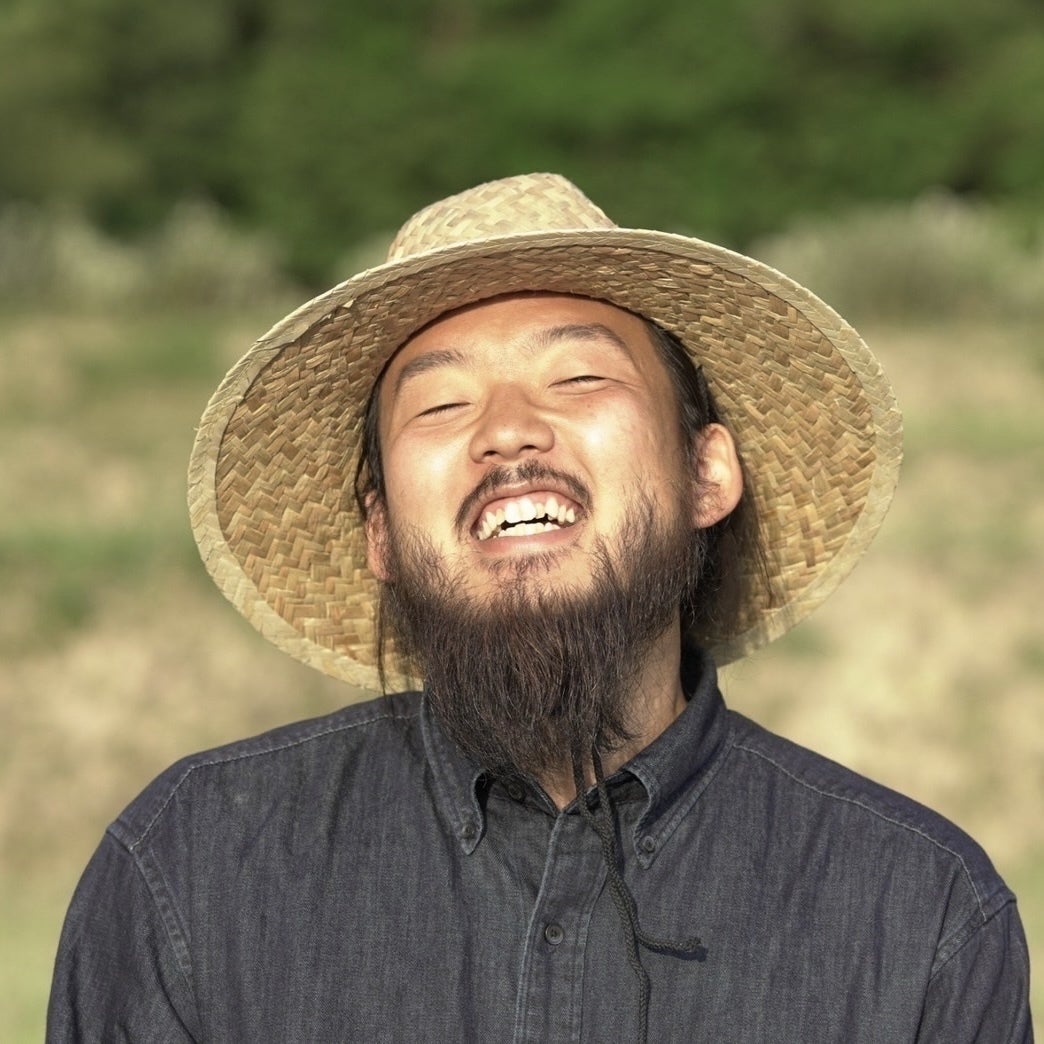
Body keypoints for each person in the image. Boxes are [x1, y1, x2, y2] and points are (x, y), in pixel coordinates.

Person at [48, 174, 1032, 1042]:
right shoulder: (194, 869)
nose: (509, 431)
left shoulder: (919, 914)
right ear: (380, 530)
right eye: (441, 405)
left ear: (706, 474)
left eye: (579, 377)